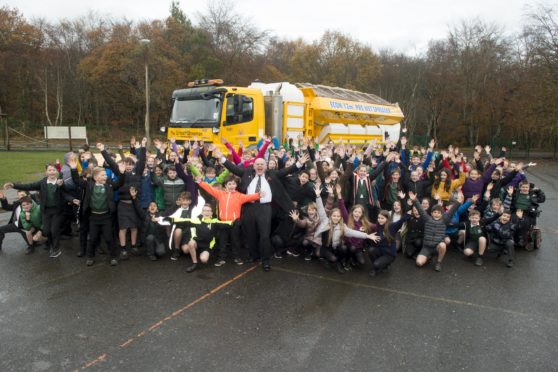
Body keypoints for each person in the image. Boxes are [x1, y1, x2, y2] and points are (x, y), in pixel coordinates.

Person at [218, 147, 310, 272]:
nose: (260, 166)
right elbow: (233, 168)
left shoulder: (272, 174)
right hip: (249, 207)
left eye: (262, 164)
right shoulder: (247, 172)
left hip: (265, 208)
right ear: (254, 166)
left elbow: (287, 170)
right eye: (257, 164)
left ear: (266, 166)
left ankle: (265, 260)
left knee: (264, 235)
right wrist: (221, 158)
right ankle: (253, 256)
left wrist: (299, 163)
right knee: (250, 234)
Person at [195, 174, 263, 266]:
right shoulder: (220, 194)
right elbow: (210, 189)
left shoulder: (239, 196)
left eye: (233, 184)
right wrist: (201, 182)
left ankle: (237, 257)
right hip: (223, 223)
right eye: (229, 184)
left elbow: (249, 197)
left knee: (235, 241)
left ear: (236, 185)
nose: (231, 186)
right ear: (225, 185)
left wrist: (259, 195)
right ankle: (221, 258)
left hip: (234, 223)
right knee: (222, 241)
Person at [5, 164, 67, 258]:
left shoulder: (60, 182)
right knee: (46, 231)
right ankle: (50, 244)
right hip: (46, 210)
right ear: (46, 172)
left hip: (57, 211)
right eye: (49, 170)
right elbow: (28, 186)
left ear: (57, 172)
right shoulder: (42, 183)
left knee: (54, 230)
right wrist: (13, 185)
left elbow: (66, 192)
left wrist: (65, 189)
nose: (52, 172)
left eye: (54, 170)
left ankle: (56, 249)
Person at [70, 157, 124, 266]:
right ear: (95, 177)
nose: (106, 176)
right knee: (93, 238)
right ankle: (90, 256)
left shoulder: (109, 184)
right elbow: (77, 181)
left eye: (105, 175)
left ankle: (113, 256)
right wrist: (73, 169)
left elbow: (119, 184)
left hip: (106, 217)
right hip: (94, 217)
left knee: (109, 238)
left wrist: (122, 173)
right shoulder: (89, 184)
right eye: (103, 175)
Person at [168, 204, 231, 273]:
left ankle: (200, 253)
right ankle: (195, 263)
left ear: (212, 213)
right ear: (202, 212)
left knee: (204, 260)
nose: (206, 212)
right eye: (204, 211)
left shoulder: (215, 221)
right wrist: (165, 218)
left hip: (207, 246)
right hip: (197, 243)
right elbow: (183, 220)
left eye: (209, 211)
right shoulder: (196, 220)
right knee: (190, 243)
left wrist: (235, 221)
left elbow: (227, 223)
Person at [409, 190, 462, 272]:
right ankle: (429, 256)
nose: (436, 214)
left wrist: (458, 202)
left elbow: (452, 211)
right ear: (432, 213)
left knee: (443, 245)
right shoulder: (427, 219)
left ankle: (438, 262)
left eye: (439, 213)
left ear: (442, 214)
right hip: (426, 247)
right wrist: (414, 200)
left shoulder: (445, 220)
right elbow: (421, 210)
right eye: (435, 212)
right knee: (419, 263)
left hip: (437, 246)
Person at [130, 187, 167, 261]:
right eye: (150, 206)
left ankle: (155, 250)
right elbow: (138, 208)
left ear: (157, 209)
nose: (152, 207)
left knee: (160, 253)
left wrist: (158, 220)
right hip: (149, 238)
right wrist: (134, 197)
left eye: (154, 206)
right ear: (148, 208)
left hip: (158, 239)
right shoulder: (145, 216)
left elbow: (170, 213)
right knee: (150, 237)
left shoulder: (161, 216)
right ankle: (150, 254)